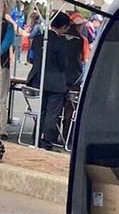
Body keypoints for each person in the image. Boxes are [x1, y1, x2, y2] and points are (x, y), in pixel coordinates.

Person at [28, 11, 83, 150]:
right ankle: (47, 141)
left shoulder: (38, 38)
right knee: (52, 113)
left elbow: (31, 58)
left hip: (38, 79)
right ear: (64, 27)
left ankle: (36, 138)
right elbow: (64, 64)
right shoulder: (60, 42)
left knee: (41, 111)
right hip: (55, 82)